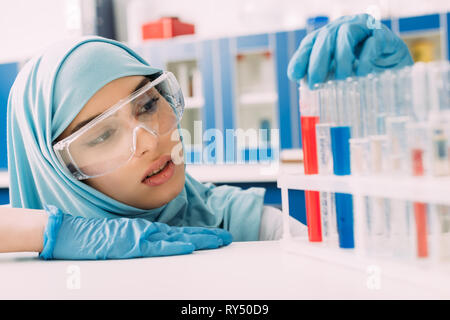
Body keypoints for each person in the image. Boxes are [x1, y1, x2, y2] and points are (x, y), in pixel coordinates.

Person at [0, 13, 412, 260]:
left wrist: (390, 104)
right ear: (52, 169)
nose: (149, 140)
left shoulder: (230, 221)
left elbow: (363, 262)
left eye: (146, 105)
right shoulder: (22, 265)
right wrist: (52, 233)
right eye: (102, 134)